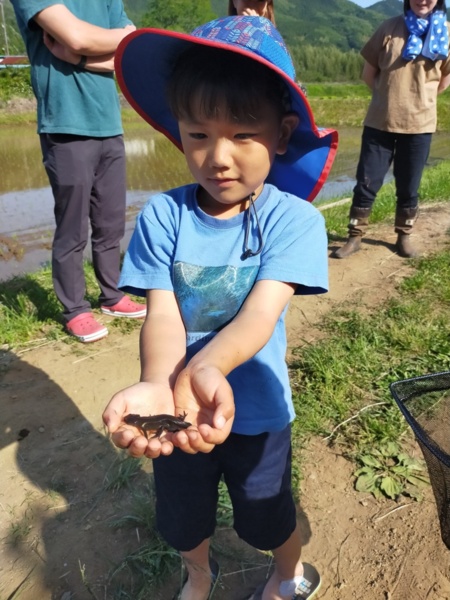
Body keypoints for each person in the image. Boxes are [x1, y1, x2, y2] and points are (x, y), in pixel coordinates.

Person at [103, 16, 337, 600]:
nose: (219, 156)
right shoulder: (163, 216)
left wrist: (208, 367)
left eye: (242, 134)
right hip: (179, 413)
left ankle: (287, 573)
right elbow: (163, 314)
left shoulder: (295, 221)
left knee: (267, 515)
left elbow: (260, 314)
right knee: (183, 519)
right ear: (178, 132)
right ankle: (199, 573)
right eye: (199, 134)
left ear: (282, 135)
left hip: (256, 410)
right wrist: (162, 380)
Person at [10, 1, 147, 343]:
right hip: (66, 125)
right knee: (72, 227)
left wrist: (81, 58)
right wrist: (95, 44)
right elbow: (76, 37)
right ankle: (74, 308)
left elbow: (129, 51)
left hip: (110, 125)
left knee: (111, 222)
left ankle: (112, 295)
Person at [333, 0, 450, 260]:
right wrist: (388, 99)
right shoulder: (388, 28)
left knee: (409, 185)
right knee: (366, 181)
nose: (423, 0)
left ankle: (403, 236)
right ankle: (355, 236)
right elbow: (368, 74)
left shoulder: (446, 33)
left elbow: (444, 81)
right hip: (380, 122)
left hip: (420, 125)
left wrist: (419, 101)